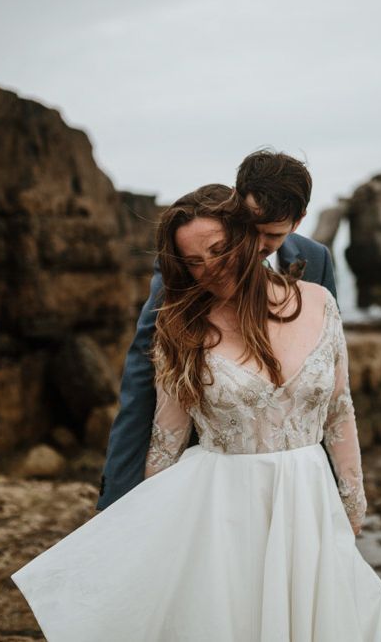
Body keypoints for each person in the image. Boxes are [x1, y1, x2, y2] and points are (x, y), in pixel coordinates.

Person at [11, 184, 381, 641]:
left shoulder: (316, 287)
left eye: (218, 250)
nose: (210, 269)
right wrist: (130, 512)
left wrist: (352, 501)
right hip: (225, 503)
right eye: (194, 261)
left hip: (307, 494)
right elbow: (155, 415)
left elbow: (337, 406)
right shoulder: (180, 315)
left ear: (249, 237)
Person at [98, 150, 337, 510]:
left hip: (294, 481)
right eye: (251, 227)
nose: (257, 244)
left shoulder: (315, 259)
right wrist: (118, 493)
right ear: (236, 203)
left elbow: (328, 369)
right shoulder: (193, 260)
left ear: (299, 221)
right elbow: (142, 372)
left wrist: (333, 488)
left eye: (272, 234)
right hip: (213, 471)